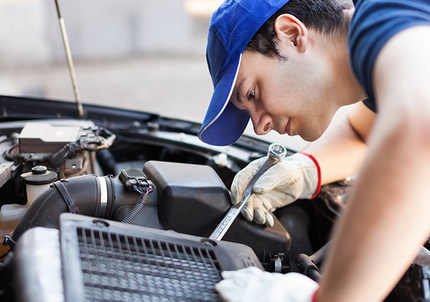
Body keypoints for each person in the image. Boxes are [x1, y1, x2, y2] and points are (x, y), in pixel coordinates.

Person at [198, 0, 430, 301]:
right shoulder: (386, 53)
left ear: (292, 34)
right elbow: (363, 134)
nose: (260, 127)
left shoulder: (383, 12)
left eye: (253, 93)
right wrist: (301, 170)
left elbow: (418, 126)